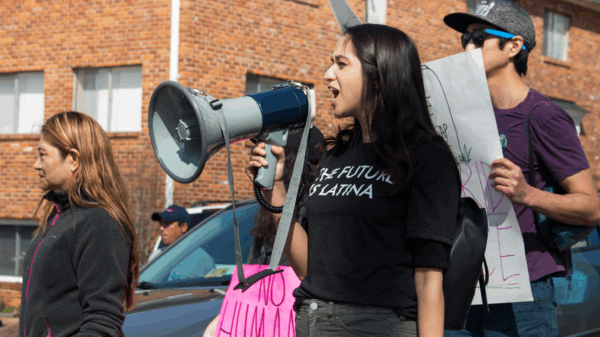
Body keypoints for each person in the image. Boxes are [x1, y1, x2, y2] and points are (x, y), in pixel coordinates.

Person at [246, 24, 461, 337]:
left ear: (378, 76)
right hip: (312, 321)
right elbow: (313, 269)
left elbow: (429, 279)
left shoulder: (425, 155)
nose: (327, 74)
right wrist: (277, 190)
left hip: (377, 327)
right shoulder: (335, 154)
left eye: (341, 64)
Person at [442, 1, 600, 336]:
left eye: (479, 37)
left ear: (514, 46)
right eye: (464, 39)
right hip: (460, 282)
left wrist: (527, 193)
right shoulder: (456, 112)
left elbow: (590, 208)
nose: (468, 46)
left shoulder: (543, 115)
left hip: (523, 293)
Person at [21, 111, 139, 337]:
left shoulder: (100, 223)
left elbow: (102, 320)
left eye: (42, 154)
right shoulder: (59, 216)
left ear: (73, 159)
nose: (36, 164)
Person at [202, 126, 323, 337]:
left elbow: (304, 272)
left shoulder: (314, 208)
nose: (260, 156)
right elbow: (257, 273)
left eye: (270, 152)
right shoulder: (266, 211)